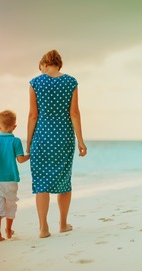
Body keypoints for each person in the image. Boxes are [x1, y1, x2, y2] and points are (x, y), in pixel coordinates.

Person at [27, 49, 87, 238]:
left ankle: (43, 228)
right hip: (63, 138)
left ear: (44, 64)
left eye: (41, 67)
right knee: (64, 181)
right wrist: (81, 141)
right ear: (58, 64)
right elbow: (74, 113)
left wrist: (28, 144)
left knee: (41, 183)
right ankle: (62, 224)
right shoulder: (71, 82)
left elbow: (33, 115)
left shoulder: (35, 82)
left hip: (42, 139)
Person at [0, 110, 30, 242]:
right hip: (11, 181)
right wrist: (31, 155)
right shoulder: (16, 141)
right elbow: (20, 160)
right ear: (14, 127)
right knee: (10, 206)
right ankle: (8, 230)